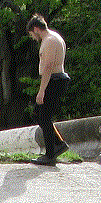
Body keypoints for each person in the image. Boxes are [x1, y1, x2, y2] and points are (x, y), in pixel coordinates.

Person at [27, 14, 70, 166]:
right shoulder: (53, 37)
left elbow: (48, 67)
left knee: (43, 117)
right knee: (38, 115)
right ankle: (58, 144)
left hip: (54, 80)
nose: (32, 37)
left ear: (36, 29)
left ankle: (51, 154)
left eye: (32, 33)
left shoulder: (49, 41)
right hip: (54, 80)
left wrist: (42, 90)